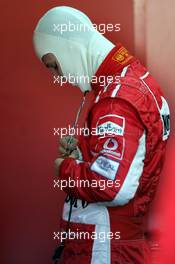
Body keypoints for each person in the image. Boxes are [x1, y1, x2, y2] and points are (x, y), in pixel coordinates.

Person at [33, 6, 170, 264]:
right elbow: (128, 165)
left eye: (53, 64)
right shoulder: (134, 80)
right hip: (113, 243)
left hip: (103, 247)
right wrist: (83, 156)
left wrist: (65, 169)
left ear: (68, 46)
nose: (58, 76)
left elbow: (111, 186)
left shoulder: (117, 99)